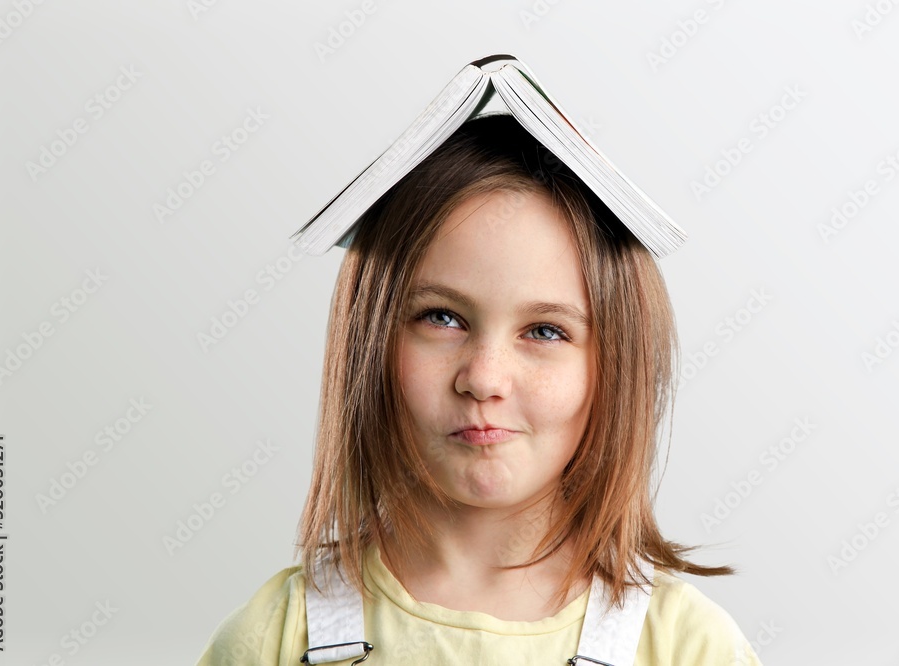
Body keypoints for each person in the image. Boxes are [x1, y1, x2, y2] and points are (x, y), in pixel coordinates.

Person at [196, 115, 763, 665]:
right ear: (368, 344)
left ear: (616, 365)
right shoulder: (271, 638)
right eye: (441, 318)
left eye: (545, 331)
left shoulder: (690, 649)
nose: (484, 379)